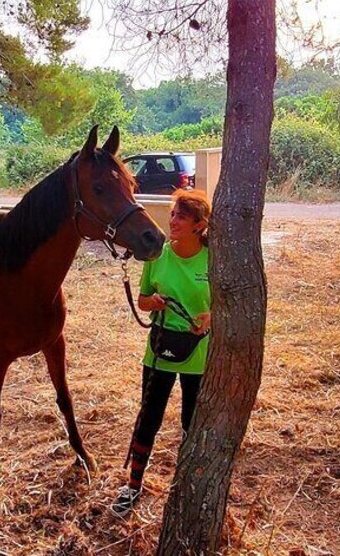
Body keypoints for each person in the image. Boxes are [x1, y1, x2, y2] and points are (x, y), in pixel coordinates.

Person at [111, 189, 212, 517]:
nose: (173, 221)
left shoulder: (213, 259)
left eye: (182, 216)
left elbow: (228, 301)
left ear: (200, 224)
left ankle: (186, 486)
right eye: (173, 214)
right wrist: (152, 303)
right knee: (148, 417)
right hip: (159, 350)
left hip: (199, 353)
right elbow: (142, 300)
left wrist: (211, 316)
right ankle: (133, 484)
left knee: (191, 422)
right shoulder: (158, 256)